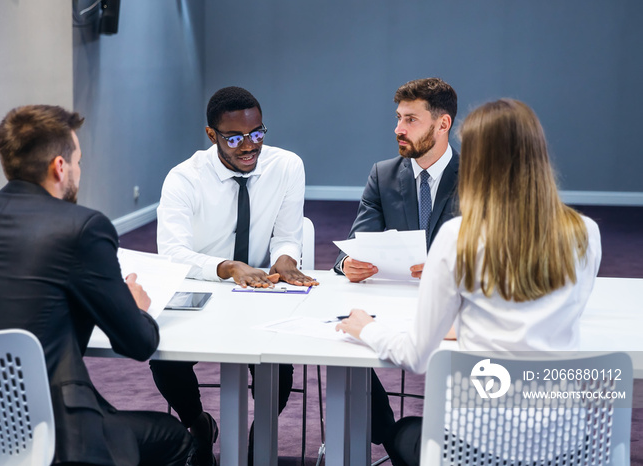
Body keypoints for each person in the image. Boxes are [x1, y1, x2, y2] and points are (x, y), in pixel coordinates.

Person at [336, 99, 602, 465]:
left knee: (404, 432)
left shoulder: (459, 236)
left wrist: (366, 328)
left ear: (478, 162)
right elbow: (559, 315)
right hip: (566, 448)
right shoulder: (586, 232)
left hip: (477, 449)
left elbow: (414, 355)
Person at [0, 105, 192, 465]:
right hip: (55, 439)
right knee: (174, 437)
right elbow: (138, 344)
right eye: (77, 160)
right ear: (60, 167)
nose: (78, 169)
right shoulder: (81, 227)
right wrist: (135, 307)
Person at [150, 86, 317, 465]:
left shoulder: (287, 166)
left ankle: (262, 433)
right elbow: (173, 254)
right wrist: (225, 267)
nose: (249, 146)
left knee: (278, 363)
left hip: (262, 293)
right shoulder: (184, 178)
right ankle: (198, 426)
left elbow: (287, 234)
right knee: (163, 358)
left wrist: (286, 260)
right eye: (235, 137)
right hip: (204, 289)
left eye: (257, 133)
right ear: (212, 136)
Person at [332, 77, 459, 455]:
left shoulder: (478, 175)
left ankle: (450, 439)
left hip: (457, 307)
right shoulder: (383, 174)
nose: (398, 129)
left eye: (411, 120)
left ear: (442, 124)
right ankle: (385, 432)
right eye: (398, 117)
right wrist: (347, 264)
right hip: (394, 298)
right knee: (349, 339)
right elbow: (353, 244)